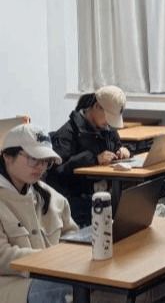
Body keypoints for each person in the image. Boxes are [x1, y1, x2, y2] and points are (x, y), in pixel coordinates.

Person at [0, 124, 78, 303]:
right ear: (7, 156)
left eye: (45, 161)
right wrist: (49, 261)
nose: (40, 167)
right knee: (66, 289)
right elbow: (2, 256)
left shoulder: (53, 198)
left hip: (51, 274)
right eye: (34, 159)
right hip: (11, 284)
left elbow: (72, 237)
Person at [49, 85, 129, 226]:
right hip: (78, 203)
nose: (108, 123)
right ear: (97, 106)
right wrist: (94, 159)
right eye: (108, 117)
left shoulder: (107, 129)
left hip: (104, 197)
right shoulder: (67, 133)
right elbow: (58, 172)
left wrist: (123, 151)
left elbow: (117, 146)